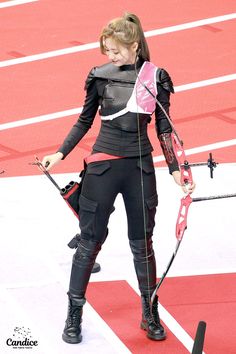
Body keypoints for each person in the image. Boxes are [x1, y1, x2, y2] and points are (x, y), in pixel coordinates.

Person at [42, 12, 195, 344]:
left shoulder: (156, 77)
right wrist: (60, 153)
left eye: (114, 50)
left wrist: (176, 170)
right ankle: (74, 314)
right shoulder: (100, 76)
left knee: (142, 245)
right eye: (107, 51)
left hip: (139, 168)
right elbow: (84, 121)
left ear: (134, 45)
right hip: (103, 167)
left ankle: (149, 311)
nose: (108, 57)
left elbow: (164, 129)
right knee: (89, 242)